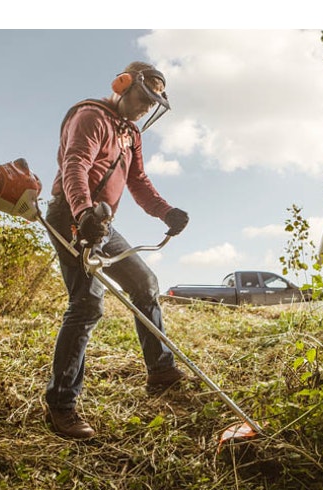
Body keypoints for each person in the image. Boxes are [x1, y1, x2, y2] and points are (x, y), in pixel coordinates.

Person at [44, 61, 190, 439]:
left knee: (144, 281)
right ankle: (61, 405)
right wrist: (83, 213)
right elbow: (75, 164)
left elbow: (138, 181)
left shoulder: (131, 134)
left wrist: (166, 212)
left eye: (152, 103)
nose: (145, 107)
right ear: (123, 84)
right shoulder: (91, 116)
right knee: (87, 304)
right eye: (143, 97)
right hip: (70, 214)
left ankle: (160, 370)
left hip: (102, 222)